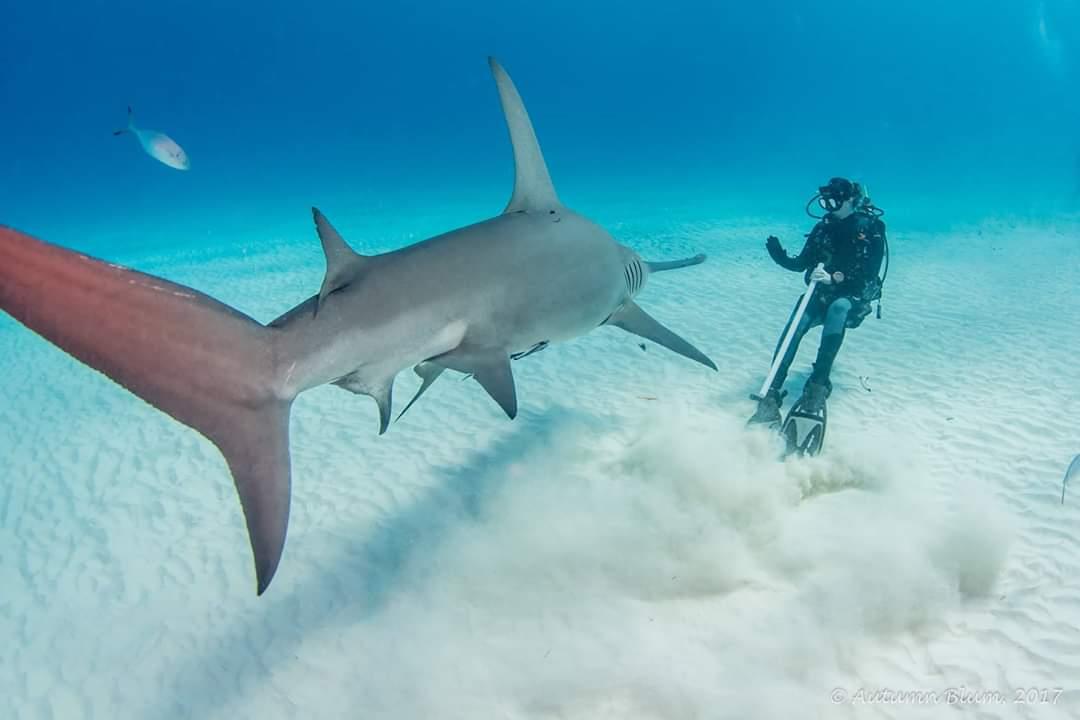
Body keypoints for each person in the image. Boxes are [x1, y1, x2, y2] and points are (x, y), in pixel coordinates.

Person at [749, 177, 888, 425]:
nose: (829, 207)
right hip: (821, 293)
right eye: (826, 202)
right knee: (797, 322)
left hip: (853, 296)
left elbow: (870, 274)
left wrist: (835, 278)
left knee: (838, 308)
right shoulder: (823, 229)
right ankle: (771, 391)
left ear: (850, 199)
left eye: (834, 201)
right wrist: (780, 256)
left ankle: (817, 387)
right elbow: (801, 263)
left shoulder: (870, 228)